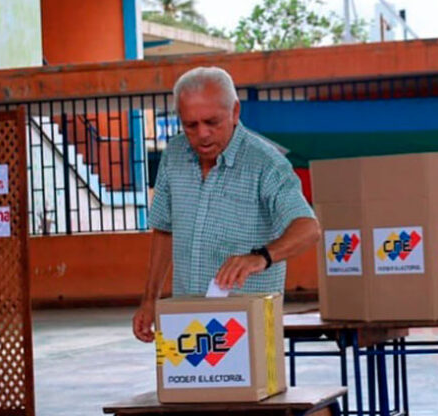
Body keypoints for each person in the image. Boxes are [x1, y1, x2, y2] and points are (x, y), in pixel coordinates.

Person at [132, 66, 320, 343]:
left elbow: (309, 228)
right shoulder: (174, 153)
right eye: (190, 125)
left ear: (234, 112)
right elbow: (164, 229)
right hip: (186, 323)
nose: (203, 134)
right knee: (185, 386)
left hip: (245, 327)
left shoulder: (265, 163)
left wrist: (261, 257)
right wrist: (150, 300)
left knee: (244, 387)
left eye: (212, 122)